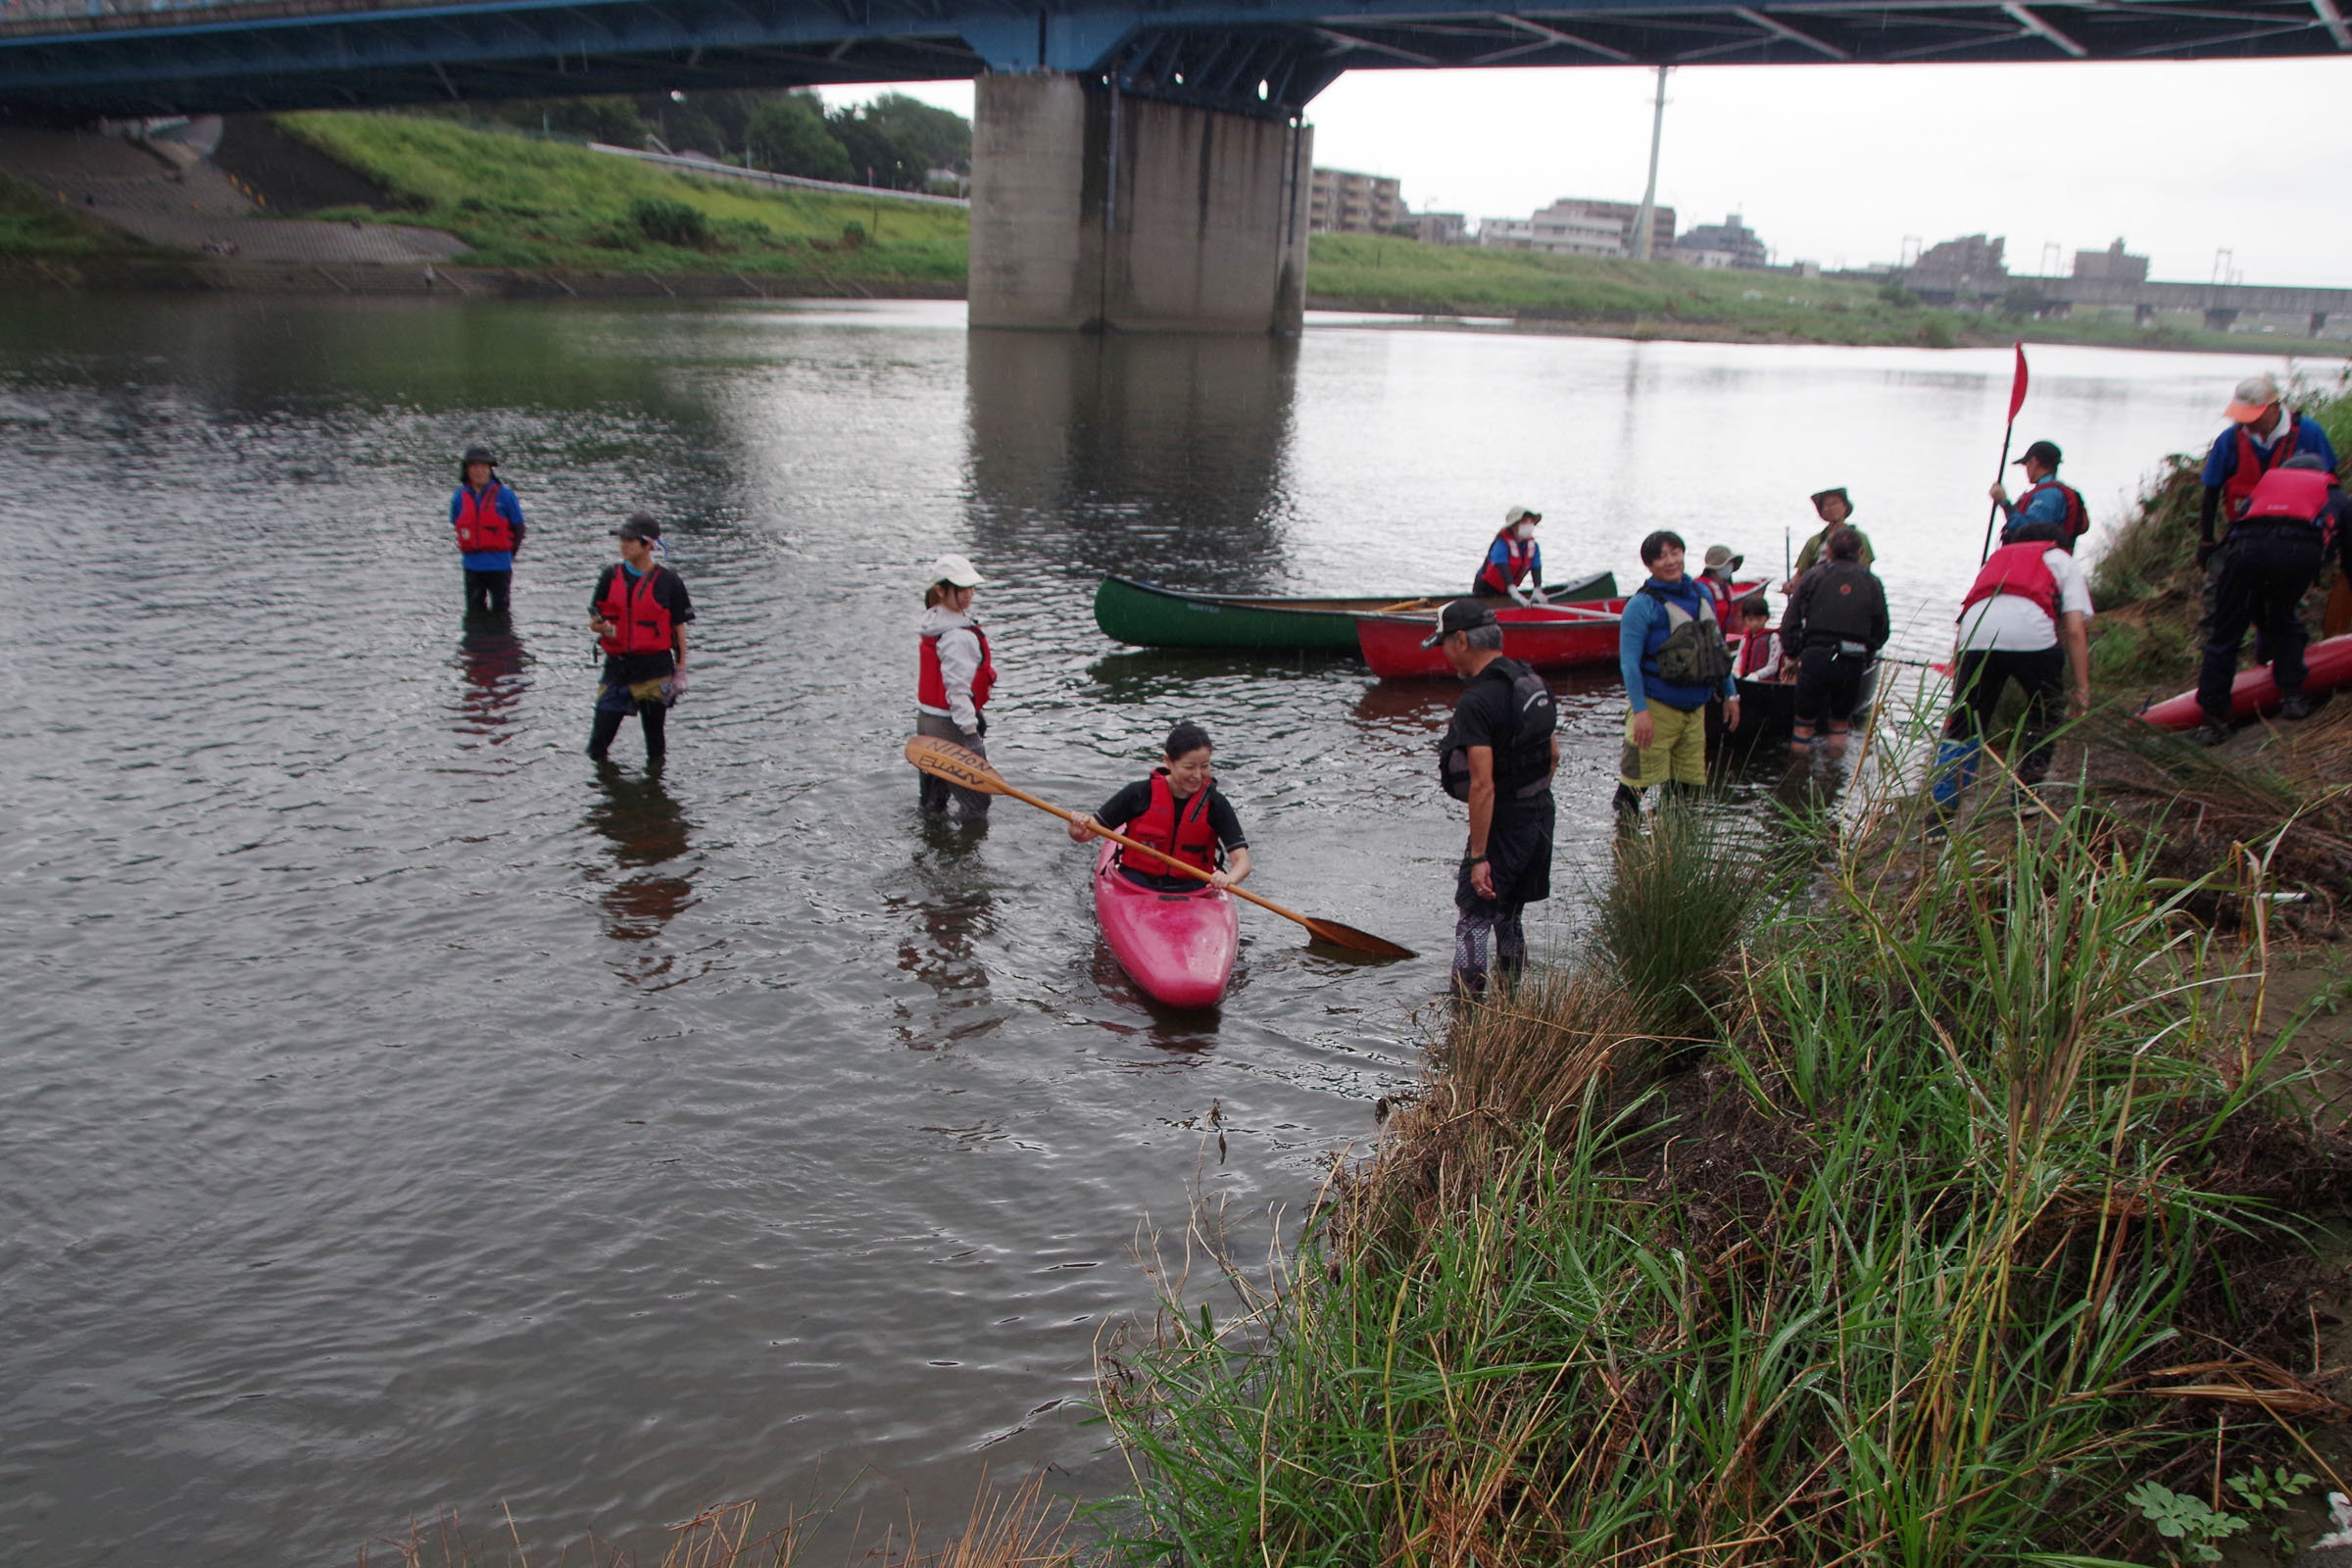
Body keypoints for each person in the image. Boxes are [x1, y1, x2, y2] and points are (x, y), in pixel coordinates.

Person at [1423, 601, 1557, 999]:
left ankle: (1466, 1008)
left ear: (1461, 640)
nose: (1446, 655)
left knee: (1474, 918)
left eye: (1445, 644)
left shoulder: (1477, 701)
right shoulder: (1531, 681)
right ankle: (1513, 993)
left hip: (1503, 823)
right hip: (1540, 814)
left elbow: (1482, 785)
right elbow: (1553, 756)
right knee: (1510, 913)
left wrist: (1480, 857)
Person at [1929, 532, 2093, 811]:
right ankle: (2027, 796)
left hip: (1976, 636)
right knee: (2045, 712)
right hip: (2033, 636)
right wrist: (2082, 688)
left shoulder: (1997, 560)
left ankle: (1940, 813)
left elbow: (1967, 616)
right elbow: (2075, 630)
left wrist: (1959, 683)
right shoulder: (2061, 559)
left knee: (1966, 722)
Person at [2190, 454, 2337, 743]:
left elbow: (2241, 526)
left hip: (2245, 553)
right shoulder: (2332, 494)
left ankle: (2210, 721)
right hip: (2297, 553)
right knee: (2283, 617)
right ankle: (2292, 698)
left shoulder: (2265, 490)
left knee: (2225, 637)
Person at [1615, 531, 1740, 820]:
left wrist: (1731, 693)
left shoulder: (1702, 593)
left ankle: (1669, 855)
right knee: (1632, 794)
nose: (1670, 561)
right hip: (1655, 709)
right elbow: (1629, 665)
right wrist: (1641, 712)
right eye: (1661, 556)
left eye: (1675, 553)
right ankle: (1626, 852)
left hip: (1695, 711)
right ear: (1649, 565)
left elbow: (1716, 648)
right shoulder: (1641, 605)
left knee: (1686, 793)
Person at [1066, 722, 1251, 893]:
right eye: (1189, 767)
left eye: (1204, 766)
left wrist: (1228, 879)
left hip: (1194, 887)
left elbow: (1242, 862)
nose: (1197, 775)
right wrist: (1077, 827)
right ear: (1168, 761)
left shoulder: (1216, 804)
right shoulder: (1138, 794)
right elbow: (1084, 835)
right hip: (1136, 882)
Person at [587, 514, 692, 766]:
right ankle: (609, 797)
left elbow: (679, 627)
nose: (624, 545)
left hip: (655, 670)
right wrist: (597, 627)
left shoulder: (670, 582)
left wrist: (680, 668)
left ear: (648, 544)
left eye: (630, 540)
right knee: (596, 748)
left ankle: (655, 795)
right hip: (617, 669)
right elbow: (594, 618)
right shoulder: (609, 576)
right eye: (622, 539)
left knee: (655, 746)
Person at [1778, 527, 1889, 757]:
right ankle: (1835, 779)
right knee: (1840, 723)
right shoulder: (1872, 582)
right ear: (1860, 552)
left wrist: (1793, 652)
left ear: (1829, 551)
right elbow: (1882, 630)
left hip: (1815, 657)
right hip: (1852, 661)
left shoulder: (1813, 575)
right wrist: (1868, 652)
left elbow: (1790, 622)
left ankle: (1797, 774)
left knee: (1803, 724)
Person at [2198, 373, 2341, 546]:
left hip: (2299, 535)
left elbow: (2332, 487)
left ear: (2274, 409)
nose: (2246, 422)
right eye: (2241, 415)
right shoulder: (2229, 440)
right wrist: (2206, 540)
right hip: (2243, 535)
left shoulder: (2310, 433)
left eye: (2252, 415)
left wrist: (2334, 534)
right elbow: (2211, 493)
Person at [914, 554, 997, 820]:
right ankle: (967, 859)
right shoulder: (958, 636)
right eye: (960, 589)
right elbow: (957, 691)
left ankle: (931, 855)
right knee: (977, 806)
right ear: (941, 589)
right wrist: (971, 735)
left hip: (927, 723)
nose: (968, 595)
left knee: (933, 804)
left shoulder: (933, 622)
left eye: (970, 588)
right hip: (950, 727)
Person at [451, 444, 527, 616]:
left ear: (490, 469)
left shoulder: (505, 495)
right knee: (474, 613)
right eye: (474, 466)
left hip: (499, 566)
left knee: (501, 613)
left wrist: (509, 555)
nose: (479, 471)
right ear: (467, 470)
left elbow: (519, 529)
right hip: (472, 567)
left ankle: (501, 642)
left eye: (483, 466)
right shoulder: (459, 497)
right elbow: (456, 523)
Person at [1989, 439, 2089, 552]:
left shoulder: (2047, 494)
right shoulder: (2052, 491)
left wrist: (2004, 502)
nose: (2026, 469)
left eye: (2026, 464)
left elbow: (2031, 532)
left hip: (2039, 562)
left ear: (2035, 461)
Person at [1784, 488, 1876, 589]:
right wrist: (1791, 586)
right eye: (1827, 505)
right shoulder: (1814, 541)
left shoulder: (1860, 538)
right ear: (1822, 512)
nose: (1832, 508)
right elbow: (1801, 574)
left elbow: (1866, 571)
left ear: (1845, 507)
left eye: (1835, 503)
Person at [1472, 506, 1544, 604]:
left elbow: (1536, 566)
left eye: (1530, 522)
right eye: (1524, 522)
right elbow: (1501, 565)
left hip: (1507, 589)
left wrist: (1537, 589)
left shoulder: (1533, 546)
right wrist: (1514, 592)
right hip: (1486, 588)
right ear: (1514, 525)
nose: (1528, 525)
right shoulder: (1501, 543)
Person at [1733, 594, 1786, 681]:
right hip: (1746, 678)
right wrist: (1735, 670)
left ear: (1767, 618)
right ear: (1744, 620)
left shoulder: (1773, 638)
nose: (1755, 623)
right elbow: (1739, 656)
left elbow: (1773, 666)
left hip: (1765, 683)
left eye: (1759, 619)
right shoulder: (1745, 637)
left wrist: (1757, 675)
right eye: (1750, 619)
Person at [1697, 544, 1745, 626]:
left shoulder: (1724, 587)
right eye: (1728, 563)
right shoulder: (1701, 587)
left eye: (1731, 563)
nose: (1731, 566)